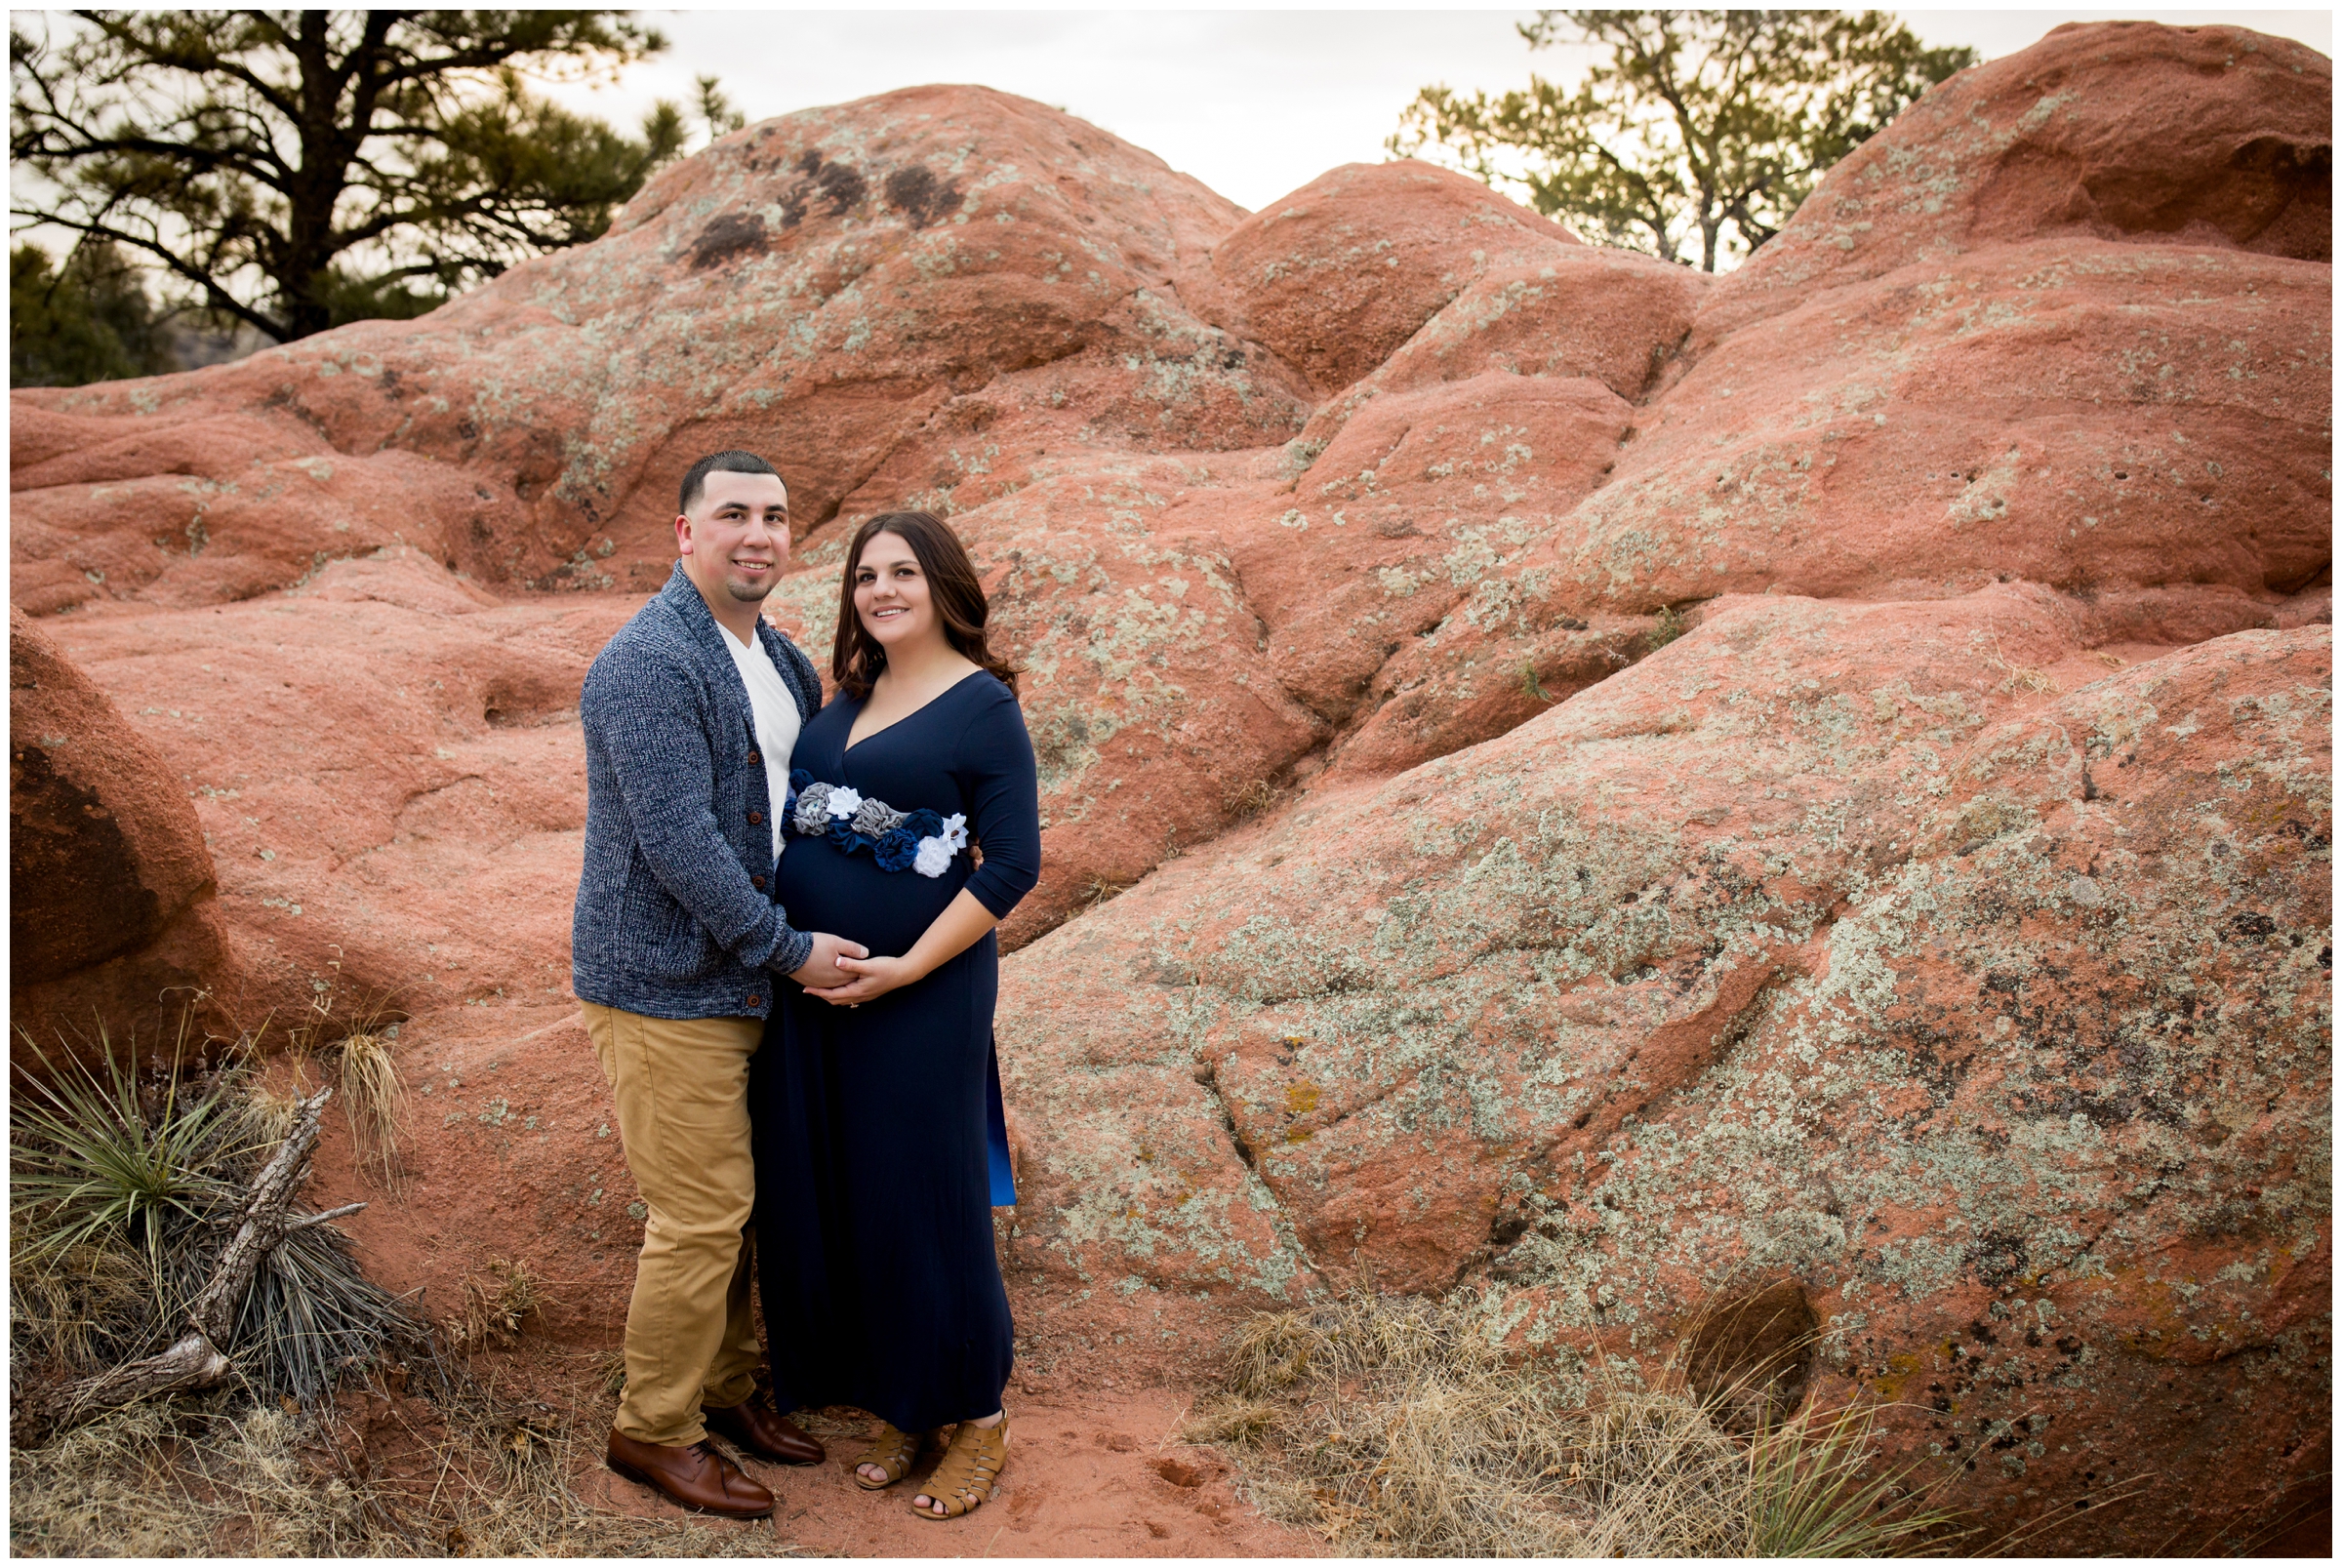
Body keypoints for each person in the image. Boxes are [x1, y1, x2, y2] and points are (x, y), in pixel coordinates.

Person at [572, 450, 868, 1519]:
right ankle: (652, 1427)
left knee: (746, 1211)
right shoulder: (650, 663)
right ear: (684, 535)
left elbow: (807, 803)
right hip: (664, 983)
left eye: (776, 516)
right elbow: (680, 848)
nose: (758, 533)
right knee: (700, 1216)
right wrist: (789, 951)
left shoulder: (780, 659)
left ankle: (732, 1387)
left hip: (747, 979)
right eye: (732, 513)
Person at [751, 509, 1040, 1521]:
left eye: (903, 572)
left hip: (921, 995)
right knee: (859, 1189)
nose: (880, 590)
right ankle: (910, 1401)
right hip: (820, 996)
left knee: (930, 1192)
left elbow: (1013, 863)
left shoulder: (981, 708)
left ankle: (980, 1413)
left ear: (944, 585)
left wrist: (909, 963)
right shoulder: (849, 696)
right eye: (867, 575)